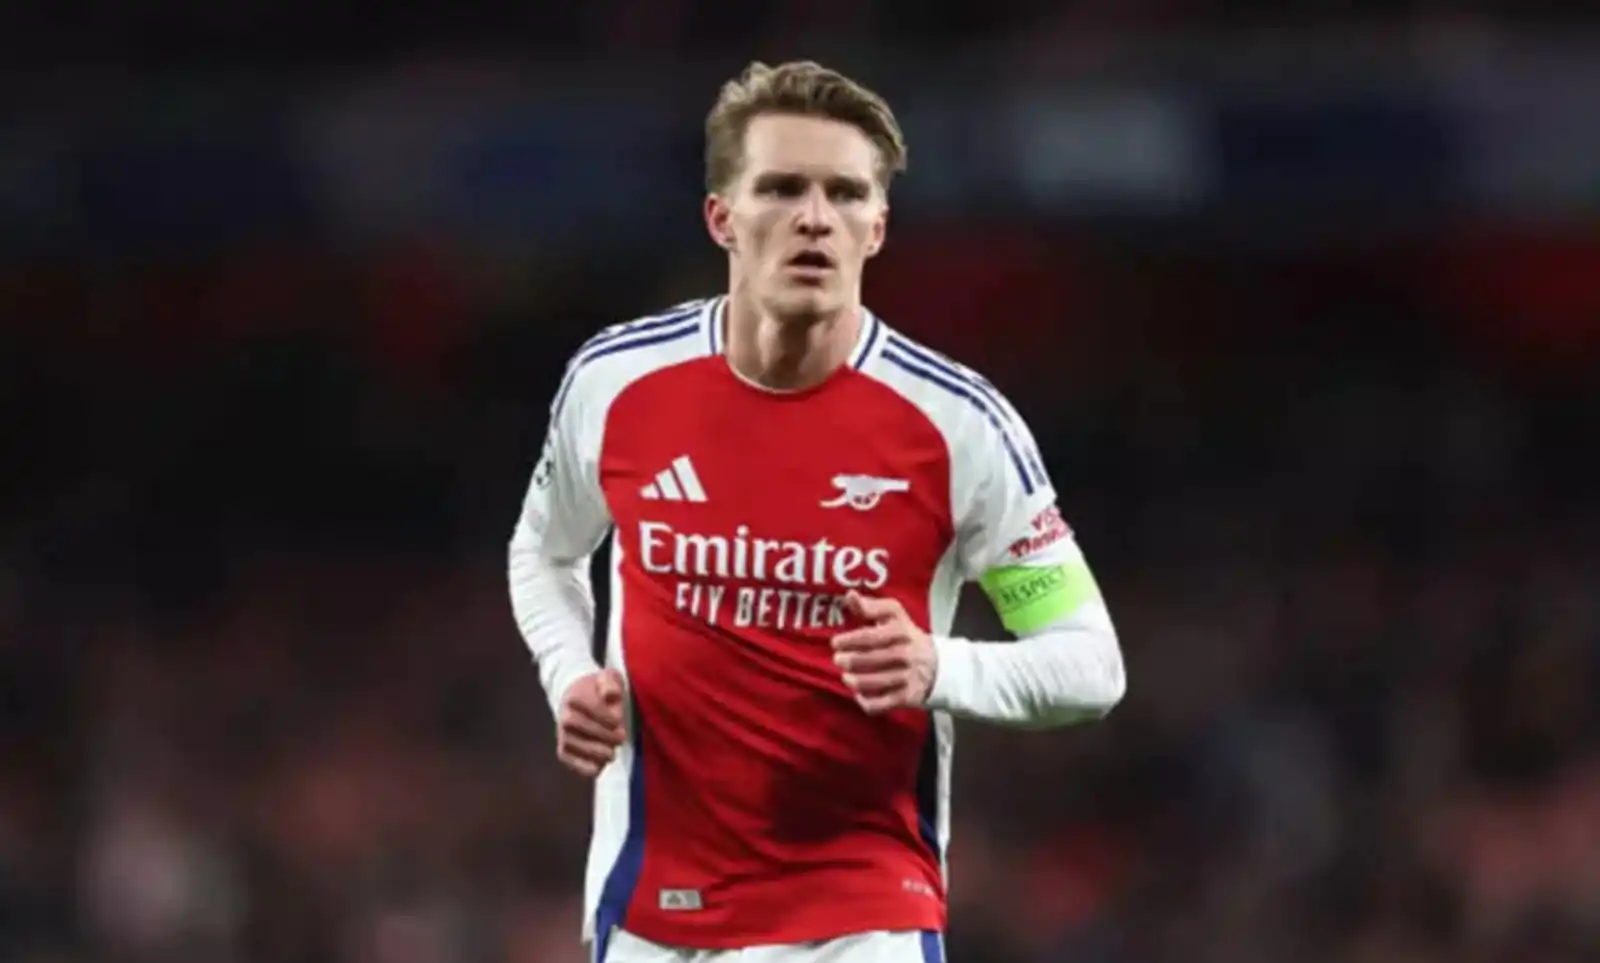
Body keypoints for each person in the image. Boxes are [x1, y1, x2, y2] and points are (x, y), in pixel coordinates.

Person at [509, 60, 1126, 963]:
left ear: (877, 227)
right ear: (721, 216)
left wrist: (940, 665)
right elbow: (544, 552)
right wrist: (569, 673)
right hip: (651, 910)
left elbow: (1091, 663)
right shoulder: (615, 382)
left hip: (858, 916)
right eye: (782, 188)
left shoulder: (959, 428)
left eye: (845, 193)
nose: (814, 217)